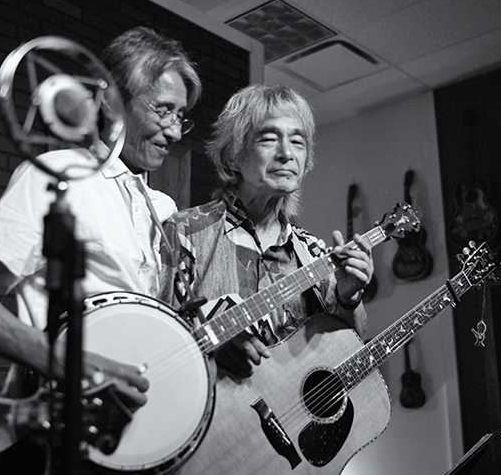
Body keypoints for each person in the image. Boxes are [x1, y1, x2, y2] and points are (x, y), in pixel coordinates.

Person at [0, 26, 201, 475]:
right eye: (162, 110)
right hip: (47, 445)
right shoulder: (60, 174)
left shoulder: (163, 209)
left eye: (181, 116)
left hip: (127, 451)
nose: (175, 131)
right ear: (111, 102)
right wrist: (72, 366)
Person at [158, 83, 374, 379]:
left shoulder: (314, 253)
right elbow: (157, 339)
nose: (286, 153)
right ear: (233, 156)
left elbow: (351, 353)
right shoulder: (186, 232)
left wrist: (350, 297)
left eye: (297, 142)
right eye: (269, 139)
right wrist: (208, 345)